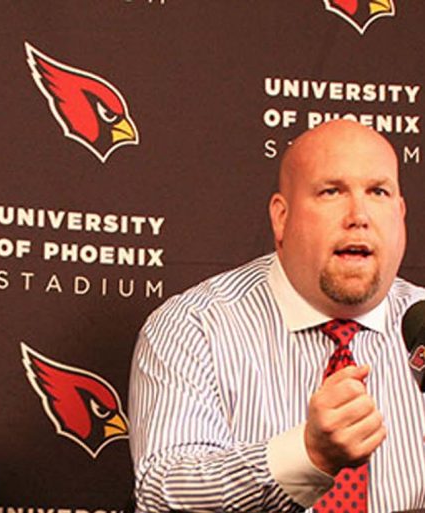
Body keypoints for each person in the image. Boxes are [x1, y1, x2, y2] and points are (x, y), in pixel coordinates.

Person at [129, 119, 425, 512]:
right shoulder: (194, 327)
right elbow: (163, 494)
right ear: (281, 217)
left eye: (378, 192)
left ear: (400, 214)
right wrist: (308, 455)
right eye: (332, 191)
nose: (359, 215)